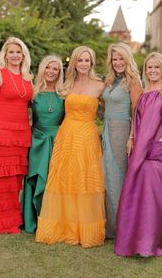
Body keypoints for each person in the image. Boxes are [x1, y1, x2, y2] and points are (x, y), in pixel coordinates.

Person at [114, 52, 162, 257]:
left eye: (157, 67)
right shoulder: (144, 92)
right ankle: (132, 239)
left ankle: (149, 242)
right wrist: (131, 137)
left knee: (153, 195)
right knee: (134, 191)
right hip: (138, 148)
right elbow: (136, 118)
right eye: (149, 67)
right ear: (145, 70)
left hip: (155, 148)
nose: (153, 70)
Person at [36, 46, 106, 247]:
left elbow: (115, 108)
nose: (83, 64)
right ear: (74, 62)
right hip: (66, 135)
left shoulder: (100, 86)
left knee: (85, 178)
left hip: (87, 136)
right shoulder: (66, 85)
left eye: (87, 60)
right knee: (64, 177)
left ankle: (85, 229)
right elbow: (47, 99)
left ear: (92, 63)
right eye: (80, 60)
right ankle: (63, 225)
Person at [0, 37, 33, 234]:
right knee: (3, 179)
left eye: (18, 52)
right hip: (3, 132)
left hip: (22, 134)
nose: (14, 55)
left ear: (23, 55)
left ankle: (14, 220)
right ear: (5, 55)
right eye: (11, 52)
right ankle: (2, 222)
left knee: (16, 180)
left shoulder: (28, 77)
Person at [102, 43, 142, 239]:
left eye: (121, 59)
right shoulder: (110, 80)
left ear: (127, 60)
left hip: (121, 131)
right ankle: (109, 226)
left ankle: (122, 228)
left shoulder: (133, 81)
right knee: (106, 176)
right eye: (114, 59)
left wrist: (131, 137)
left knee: (118, 176)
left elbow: (137, 113)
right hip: (106, 130)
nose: (117, 62)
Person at [21, 55, 65, 233]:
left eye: (55, 69)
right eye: (48, 67)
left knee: (54, 180)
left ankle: (52, 219)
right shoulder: (33, 92)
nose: (51, 71)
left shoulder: (64, 93)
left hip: (57, 140)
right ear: (43, 69)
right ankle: (32, 220)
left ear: (59, 72)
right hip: (37, 140)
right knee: (35, 178)